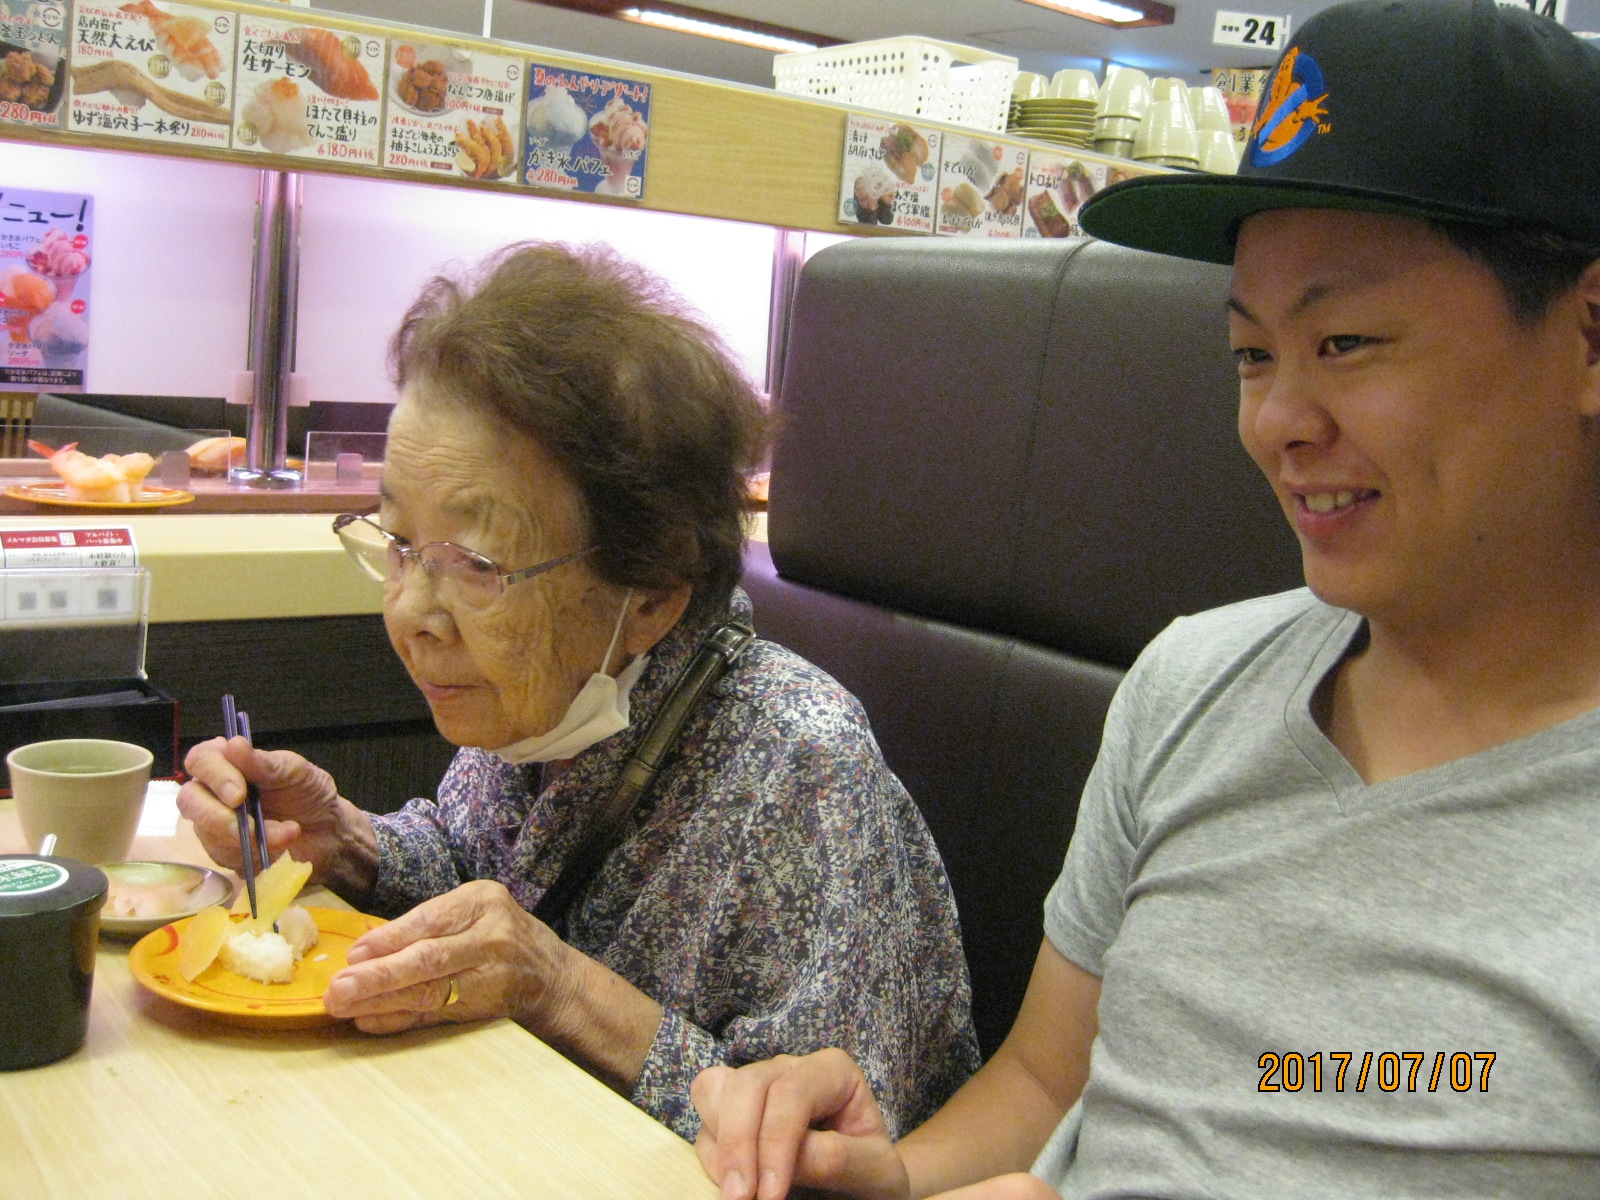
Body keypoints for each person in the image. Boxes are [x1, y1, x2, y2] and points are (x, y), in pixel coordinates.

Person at [689, 1, 1600, 1196]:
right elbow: (1046, 1085)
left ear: (1587, 337)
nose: (1276, 423)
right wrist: (891, 1180)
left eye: (1345, 343)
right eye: (1251, 355)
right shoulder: (1191, 684)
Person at [178, 243, 979, 1140]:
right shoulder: (550, 697)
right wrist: (345, 844)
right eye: (399, 542)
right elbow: (479, 870)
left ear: (652, 596)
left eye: (477, 564)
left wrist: (562, 989)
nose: (411, 613)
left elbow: (830, 1156)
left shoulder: (799, 764)